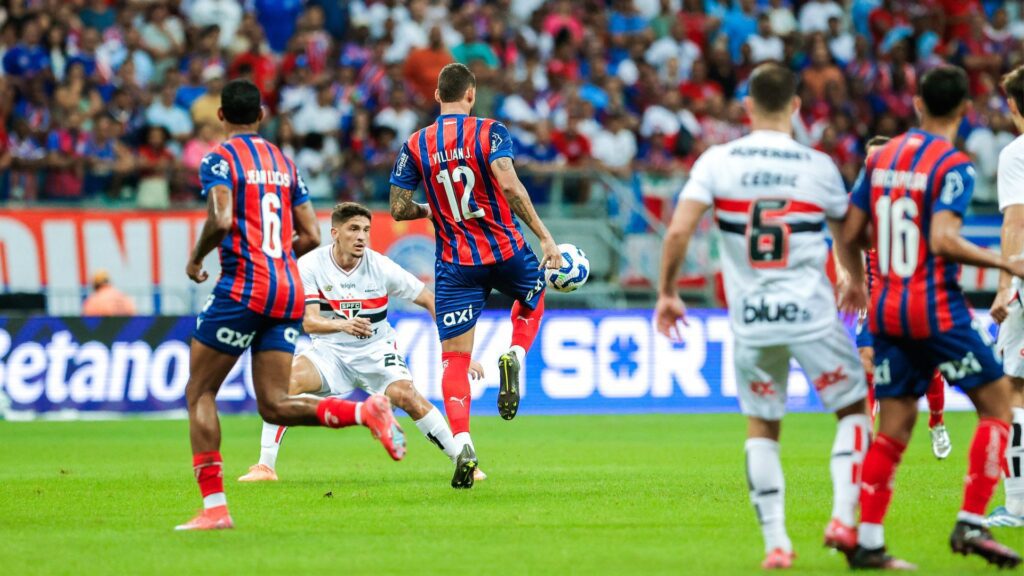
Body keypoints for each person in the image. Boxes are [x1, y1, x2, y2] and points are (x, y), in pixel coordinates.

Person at [655, 63, 870, 570]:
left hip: (751, 318)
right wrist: (855, 280)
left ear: (747, 108)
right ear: (797, 107)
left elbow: (680, 231)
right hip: (812, 314)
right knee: (854, 410)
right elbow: (847, 235)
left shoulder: (717, 161)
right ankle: (842, 518)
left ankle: (776, 544)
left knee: (762, 428)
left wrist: (668, 292)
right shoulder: (818, 165)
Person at [177, 80, 405, 532]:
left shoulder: (219, 159)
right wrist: (278, 254)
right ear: (261, 116)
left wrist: (197, 257)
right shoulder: (284, 162)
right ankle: (364, 411)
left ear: (221, 117)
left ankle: (216, 509)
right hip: (287, 287)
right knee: (276, 404)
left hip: (245, 286)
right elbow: (312, 235)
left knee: (200, 392)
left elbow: (222, 218)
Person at [837, 65, 1024, 569]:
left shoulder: (881, 159)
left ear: (917, 104)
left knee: (894, 426)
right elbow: (942, 239)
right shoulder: (954, 166)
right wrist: (1004, 261)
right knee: (1000, 403)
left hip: (887, 308)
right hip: (934, 307)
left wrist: (855, 280)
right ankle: (971, 521)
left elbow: (847, 229)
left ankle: (869, 542)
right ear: (965, 111)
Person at [388, 63, 564, 488]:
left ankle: (463, 443)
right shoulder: (490, 131)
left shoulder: (415, 144)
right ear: (471, 95)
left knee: (454, 358)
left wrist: (431, 210)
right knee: (535, 295)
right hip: (503, 248)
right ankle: (515, 356)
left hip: (454, 264)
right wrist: (544, 237)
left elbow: (397, 208)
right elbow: (509, 186)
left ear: (436, 96)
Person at [238, 202, 489, 487]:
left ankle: (464, 461)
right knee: (283, 385)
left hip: (376, 351)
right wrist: (341, 325)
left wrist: (458, 356)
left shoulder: (380, 266)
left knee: (406, 395)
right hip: (329, 352)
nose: (361, 237)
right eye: (353, 229)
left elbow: (430, 300)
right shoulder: (310, 265)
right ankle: (265, 466)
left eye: (366, 230)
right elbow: (307, 322)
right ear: (335, 232)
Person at [851, 135, 951, 458]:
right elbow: (846, 243)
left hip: (913, 294)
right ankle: (867, 438)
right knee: (868, 360)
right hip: (876, 298)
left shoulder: (912, 194)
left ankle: (936, 423)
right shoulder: (858, 201)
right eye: (870, 158)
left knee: (930, 365)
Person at [987, 65, 1024, 528]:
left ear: (1013, 105)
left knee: (1014, 389)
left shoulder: (1016, 155)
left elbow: (1016, 221)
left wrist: (1004, 285)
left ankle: (1017, 506)